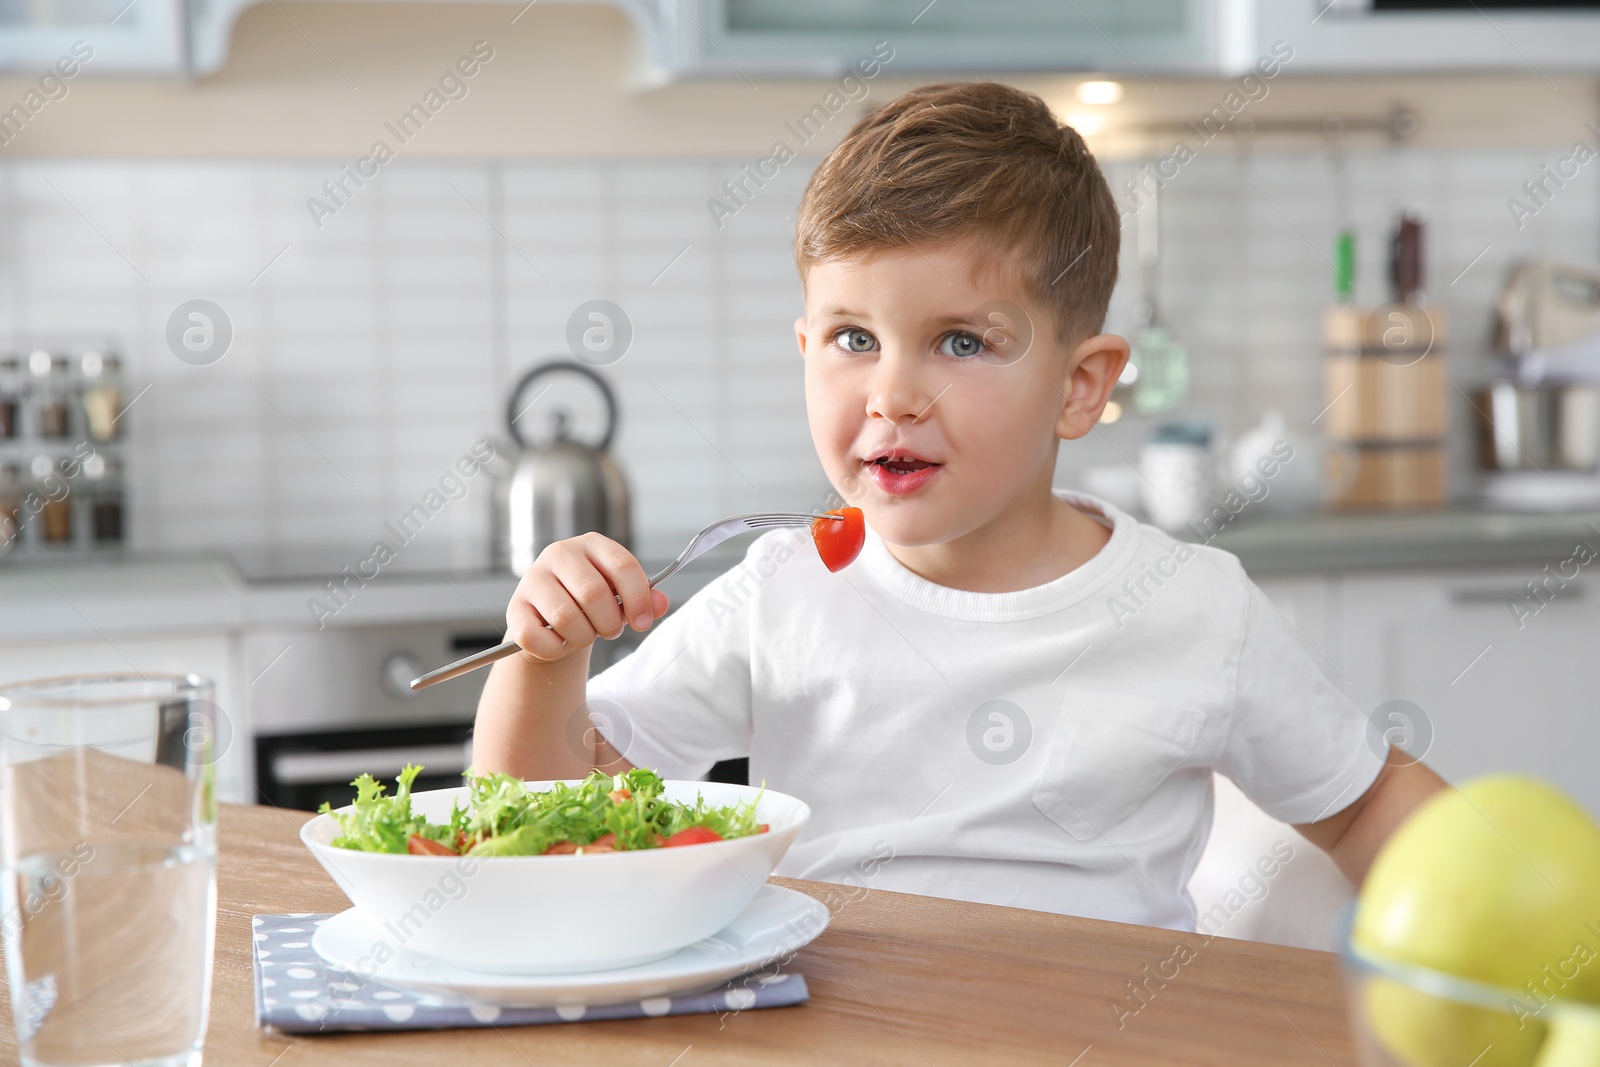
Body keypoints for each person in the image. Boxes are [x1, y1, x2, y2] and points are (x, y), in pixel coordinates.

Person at [472, 81, 1445, 931]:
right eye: (854, 338)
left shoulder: (1193, 605)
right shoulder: (780, 590)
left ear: (1080, 385)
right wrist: (547, 662)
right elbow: (542, 819)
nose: (891, 394)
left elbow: (1362, 806)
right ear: (805, 348)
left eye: (962, 342)